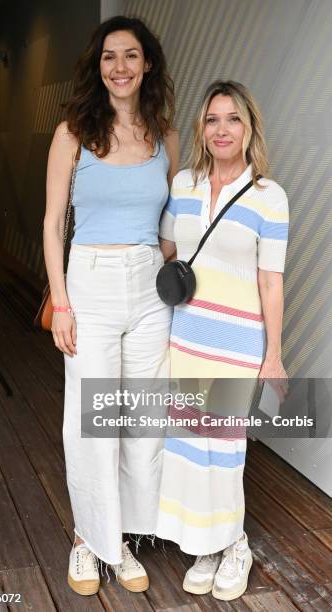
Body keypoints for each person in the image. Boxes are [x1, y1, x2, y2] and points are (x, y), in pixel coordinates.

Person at [43, 16, 178, 596]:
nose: (119, 66)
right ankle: (88, 539)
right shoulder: (73, 131)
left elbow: (169, 230)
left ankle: (119, 537)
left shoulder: (164, 137)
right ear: (97, 67)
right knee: (92, 423)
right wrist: (64, 304)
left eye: (130, 55)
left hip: (150, 286)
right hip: (90, 283)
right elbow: (51, 225)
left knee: (142, 421)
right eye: (108, 57)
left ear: (147, 64)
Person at [156, 80, 289, 601]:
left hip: (236, 342)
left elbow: (271, 281)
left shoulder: (268, 195)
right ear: (202, 129)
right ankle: (205, 545)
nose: (222, 129)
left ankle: (234, 543)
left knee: (224, 446)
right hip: (185, 337)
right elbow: (166, 247)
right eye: (212, 119)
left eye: (232, 119)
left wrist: (272, 355)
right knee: (189, 444)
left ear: (248, 126)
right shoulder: (184, 183)